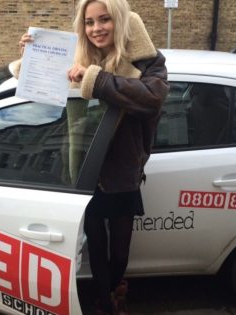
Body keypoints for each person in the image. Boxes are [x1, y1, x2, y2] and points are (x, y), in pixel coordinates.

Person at [18, 0, 169, 314]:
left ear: (120, 20)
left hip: (124, 169)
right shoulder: (75, 57)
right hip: (84, 169)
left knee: (121, 250)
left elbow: (151, 99)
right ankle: (105, 301)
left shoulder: (148, 63)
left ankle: (117, 289)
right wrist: (33, 57)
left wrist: (95, 78)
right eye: (89, 22)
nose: (96, 28)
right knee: (96, 246)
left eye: (104, 19)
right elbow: (38, 89)